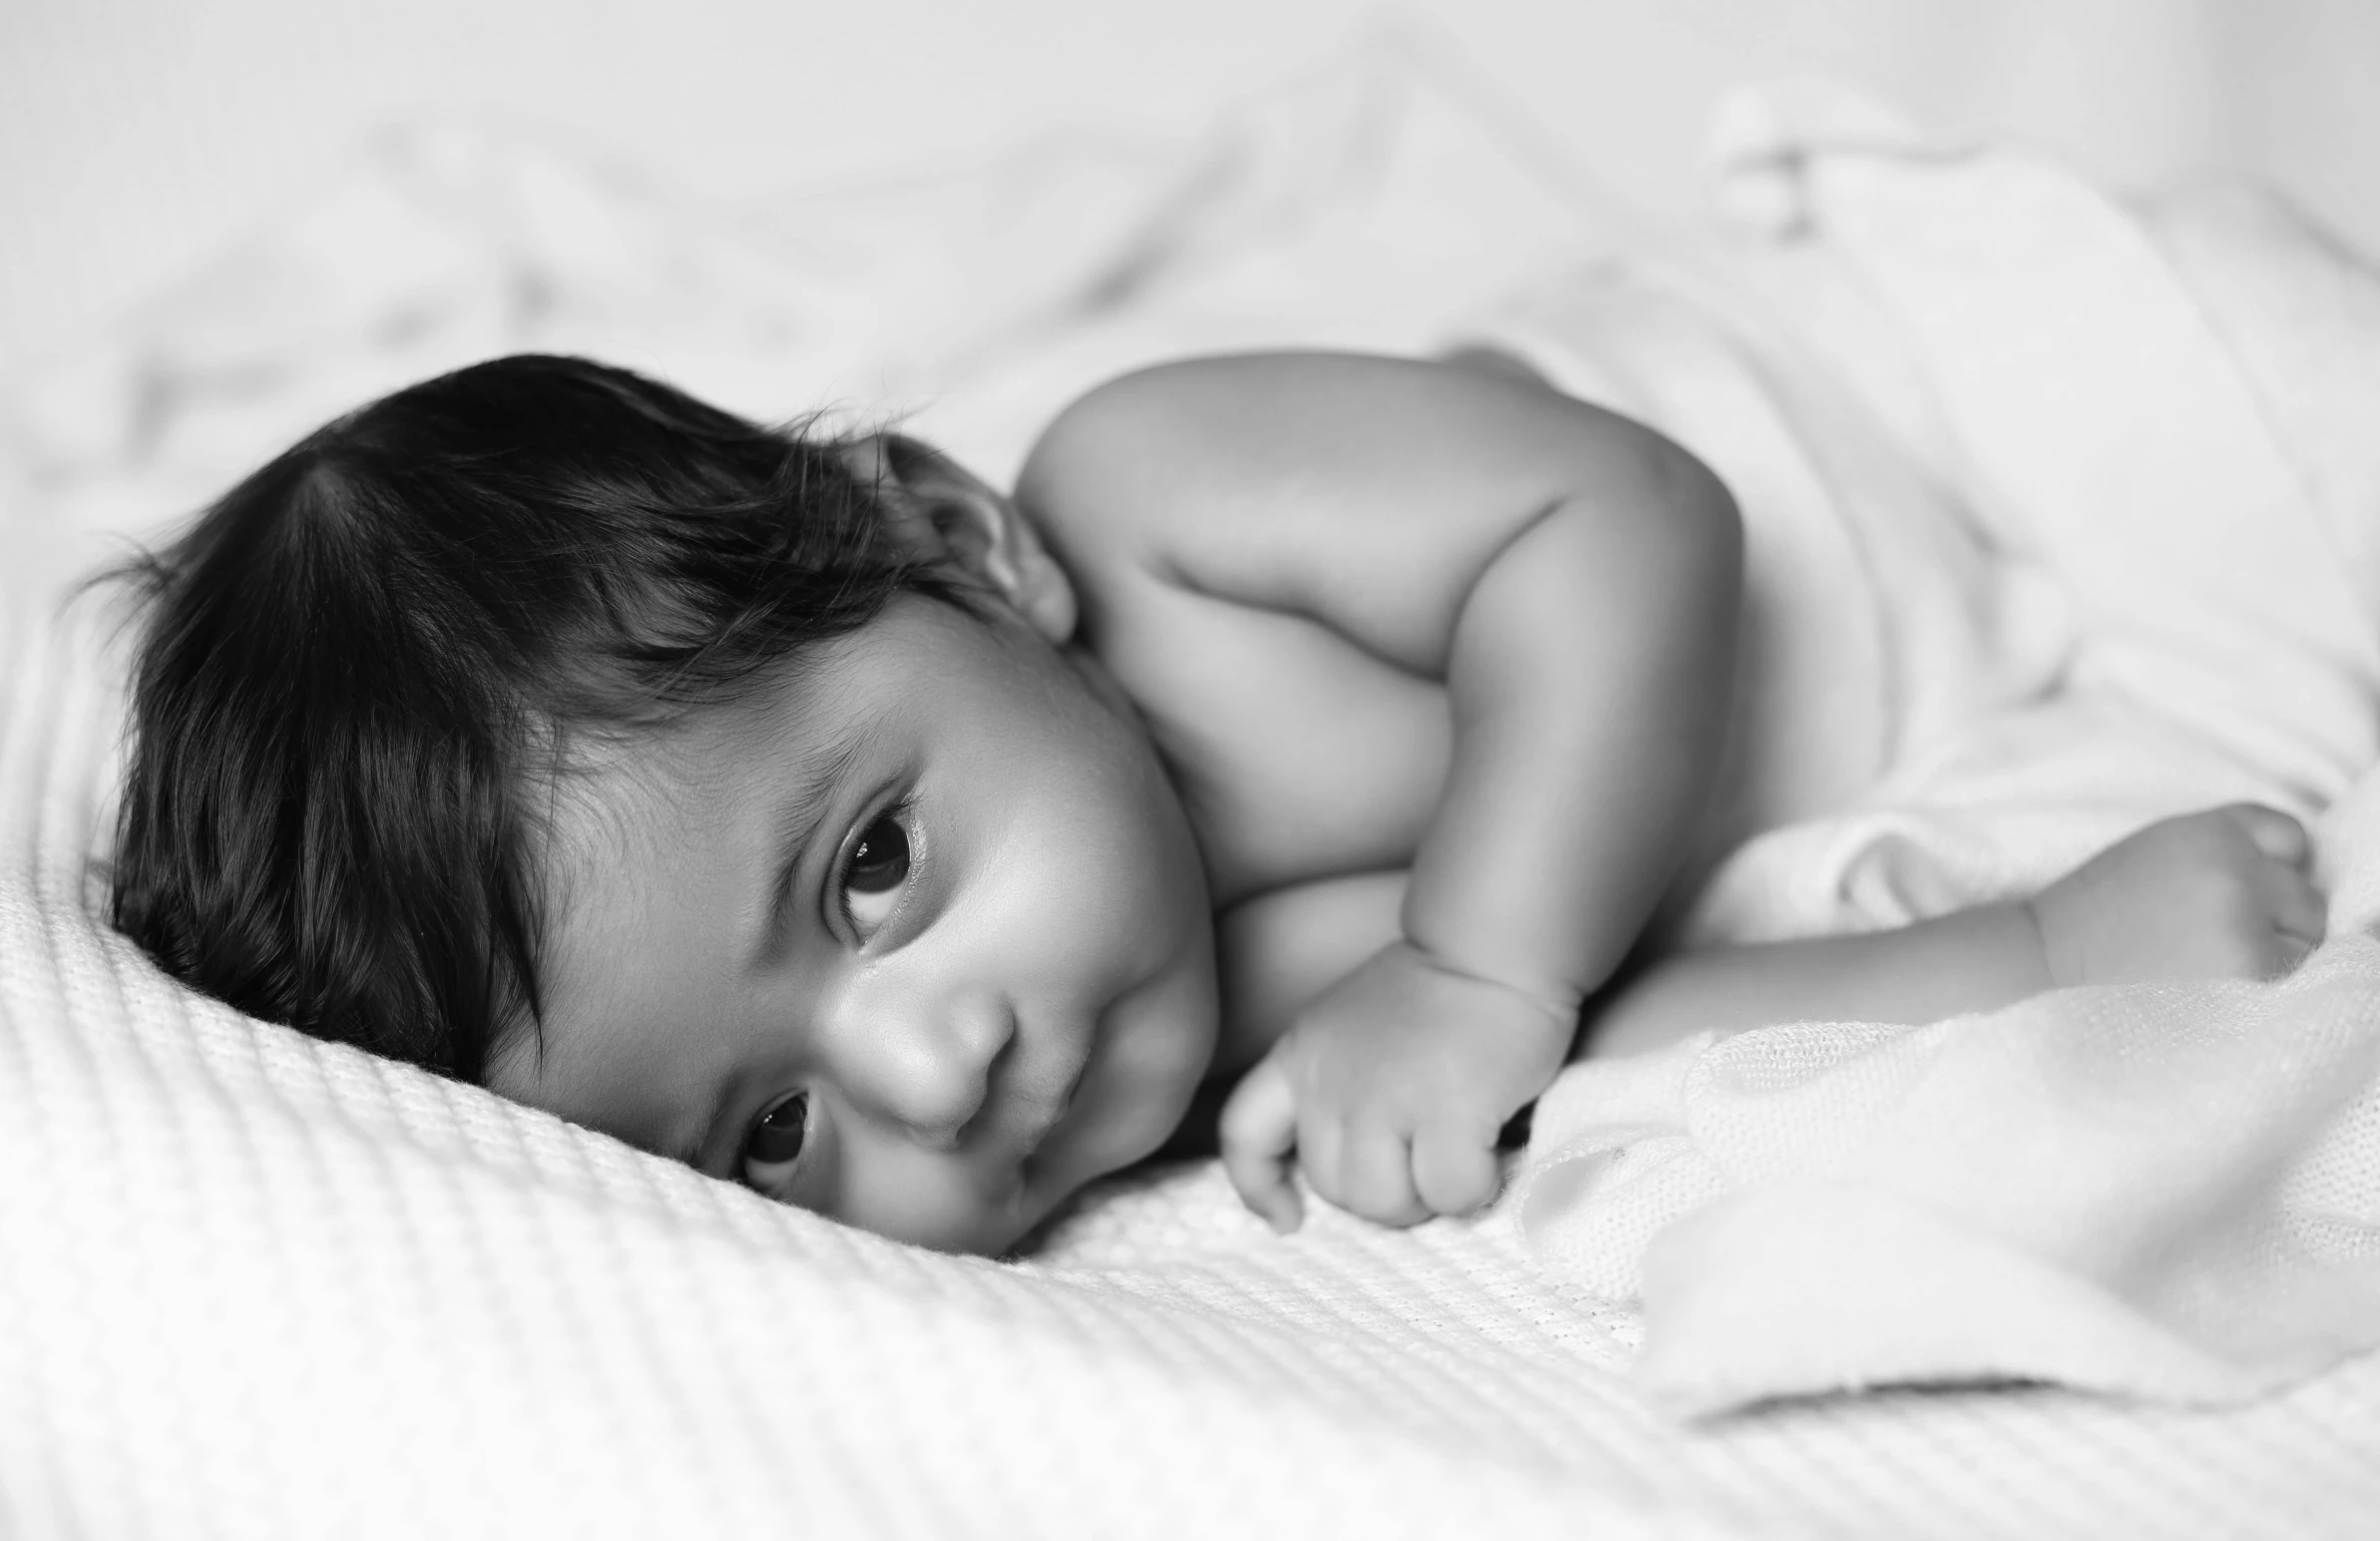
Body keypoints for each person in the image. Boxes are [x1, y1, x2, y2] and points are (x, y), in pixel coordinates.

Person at [107, 351, 2328, 1256]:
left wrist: (1473, 962)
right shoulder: (1193, 1026)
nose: (931, 1061)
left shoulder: (1158, 508)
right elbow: (1589, 1034)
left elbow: (1621, 514)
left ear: (963, 549)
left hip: (1954, 411)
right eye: (763, 1133)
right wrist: (2032, 960)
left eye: (872, 866)